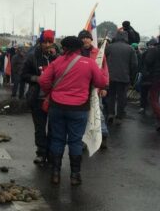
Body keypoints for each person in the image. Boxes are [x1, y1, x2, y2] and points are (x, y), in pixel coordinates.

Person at [39, 36, 108, 186]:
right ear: (79, 48)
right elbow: (101, 82)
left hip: (57, 106)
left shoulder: (57, 62)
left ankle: (55, 174)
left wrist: (50, 92)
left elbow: (43, 80)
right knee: (75, 141)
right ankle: (75, 176)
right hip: (79, 108)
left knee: (57, 139)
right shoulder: (89, 63)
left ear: (63, 48)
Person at [21, 30, 56, 166]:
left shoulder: (57, 57)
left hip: (54, 99)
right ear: (40, 43)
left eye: (50, 42)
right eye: (45, 42)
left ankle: (52, 153)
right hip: (37, 98)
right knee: (40, 128)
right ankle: (41, 153)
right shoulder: (32, 57)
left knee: (54, 128)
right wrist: (37, 78)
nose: (47, 45)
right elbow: (23, 74)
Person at [79, 30, 109, 148]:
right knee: (82, 116)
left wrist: (104, 86)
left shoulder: (98, 53)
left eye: (87, 37)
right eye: (83, 38)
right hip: (81, 90)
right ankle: (83, 140)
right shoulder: (76, 54)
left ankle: (104, 135)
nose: (85, 40)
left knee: (98, 113)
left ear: (91, 39)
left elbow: (104, 71)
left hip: (96, 89)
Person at [104, 31, 138, 124]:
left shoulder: (109, 47)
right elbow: (134, 65)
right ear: (126, 38)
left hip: (110, 76)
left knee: (110, 95)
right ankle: (119, 116)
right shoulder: (130, 49)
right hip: (124, 77)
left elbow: (103, 61)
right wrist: (131, 77)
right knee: (121, 97)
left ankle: (111, 113)